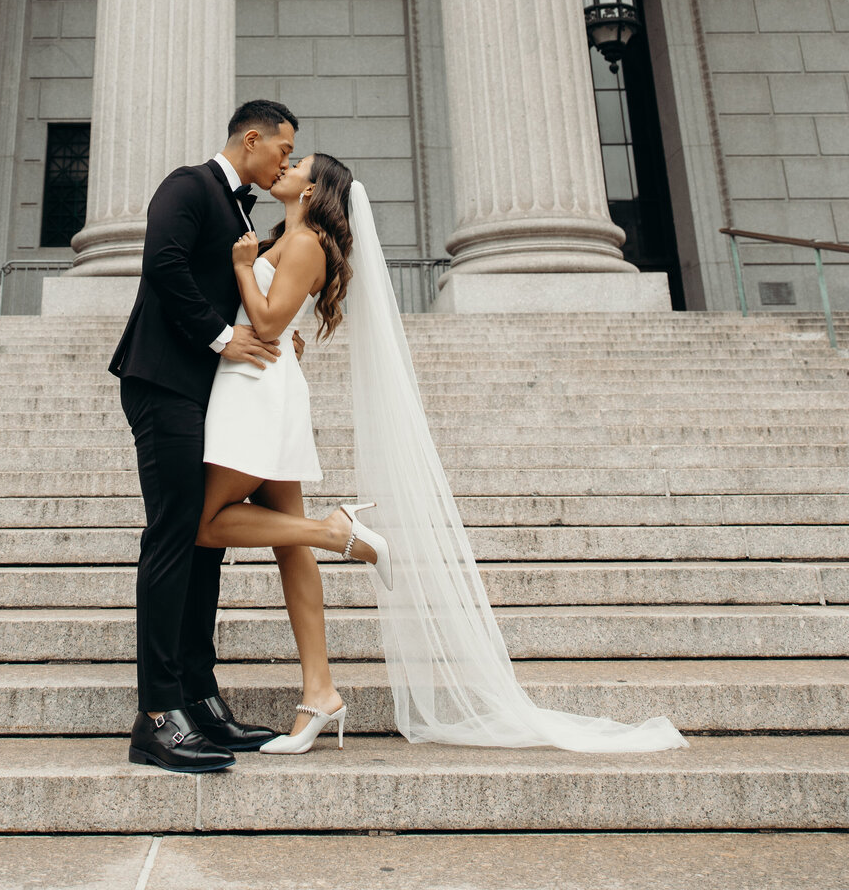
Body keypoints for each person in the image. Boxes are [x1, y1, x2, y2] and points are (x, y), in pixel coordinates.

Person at [198, 153, 689, 757]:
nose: (286, 166)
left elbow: (269, 325)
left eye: (298, 163)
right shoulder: (291, 238)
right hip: (266, 383)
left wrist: (245, 267)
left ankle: (336, 531)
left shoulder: (304, 243)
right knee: (286, 544)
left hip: (258, 387)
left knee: (207, 523)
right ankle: (319, 692)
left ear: (317, 187)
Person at [108, 98, 300, 773]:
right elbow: (163, 265)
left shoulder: (241, 210)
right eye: (282, 150)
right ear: (252, 138)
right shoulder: (188, 185)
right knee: (171, 536)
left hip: (203, 392)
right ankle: (156, 716)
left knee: (203, 540)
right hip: (162, 381)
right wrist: (226, 339)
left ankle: (198, 699)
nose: (285, 162)